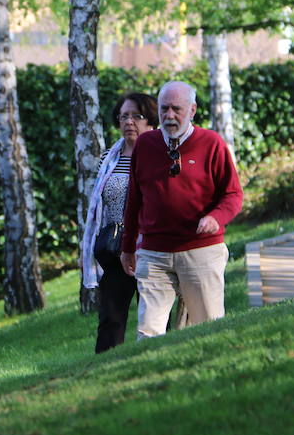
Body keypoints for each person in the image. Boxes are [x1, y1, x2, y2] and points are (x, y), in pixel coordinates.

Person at [120, 80, 243, 339]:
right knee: (148, 331)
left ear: (192, 110)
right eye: (164, 109)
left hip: (201, 249)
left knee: (207, 328)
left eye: (177, 109)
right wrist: (128, 247)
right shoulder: (145, 144)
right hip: (154, 253)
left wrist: (215, 218)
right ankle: (149, 376)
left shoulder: (211, 143)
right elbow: (134, 199)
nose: (169, 116)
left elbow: (233, 195)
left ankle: (209, 372)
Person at [81, 92, 158, 353]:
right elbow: (99, 205)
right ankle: (103, 370)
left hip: (150, 248)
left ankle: (156, 361)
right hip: (114, 249)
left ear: (151, 122)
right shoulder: (108, 159)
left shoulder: (160, 156)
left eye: (137, 116)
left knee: (155, 316)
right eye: (123, 116)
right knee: (110, 319)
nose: (129, 122)